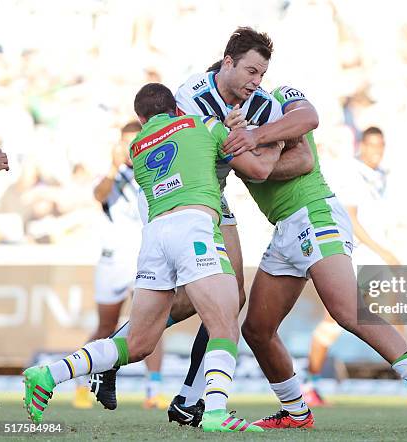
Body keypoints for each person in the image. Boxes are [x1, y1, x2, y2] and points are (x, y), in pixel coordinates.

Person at [22, 83, 285, 432]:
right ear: (176, 108)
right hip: (195, 226)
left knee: (136, 343)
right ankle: (216, 413)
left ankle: (48, 373)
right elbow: (251, 166)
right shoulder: (202, 124)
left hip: (155, 237)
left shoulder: (137, 145)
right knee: (225, 320)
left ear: (142, 118)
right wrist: (263, 138)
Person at [89, 27, 318, 425]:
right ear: (227, 62)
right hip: (175, 196)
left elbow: (307, 129)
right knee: (213, 297)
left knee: (231, 295)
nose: (256, 82)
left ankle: (176, 390)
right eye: (250, 71)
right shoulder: (189, 95)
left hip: (212, 195)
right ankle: (136, 363)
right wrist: (248, 142)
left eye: (262, 75)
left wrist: (255, 135)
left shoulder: (259, 104)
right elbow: (230, 158)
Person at [238, 86, 407, 432]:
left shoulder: (277, 98)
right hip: (286, 226)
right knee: (256, 330)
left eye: (258, 70)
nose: (255, 78)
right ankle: (296, 411)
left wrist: (252, 144)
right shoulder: (224, 124)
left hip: (314, 214)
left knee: (347, 311)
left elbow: (306, 146)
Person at [303, 126, 401, 407]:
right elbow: (353, 220)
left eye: (380, 145)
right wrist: (384, 252)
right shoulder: (352, 173)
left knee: (396, 316)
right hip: (359, 257)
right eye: (371, 145)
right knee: (333, 322)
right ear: (361, 145)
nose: (376, 150)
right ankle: (310, 383)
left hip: (376, 259)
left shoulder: (380, 175)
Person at [74, 122, 167, 410]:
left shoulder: (153, 172)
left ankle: (154, 389)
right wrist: (115, 169)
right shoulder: (109, 176)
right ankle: (80, 382)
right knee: (106, 324)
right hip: (113, 260)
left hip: (146, 257)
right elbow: (100, 195)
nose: (129, 149)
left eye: (134, 142)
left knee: (152, 324)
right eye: (125, 143)